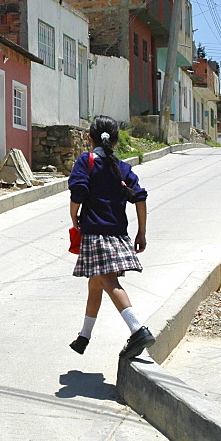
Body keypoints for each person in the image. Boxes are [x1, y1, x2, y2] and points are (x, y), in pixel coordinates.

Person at [67, 116, 153, 360]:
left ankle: (138, 329)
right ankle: (84, 336)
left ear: (89, 137)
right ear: (116, 140)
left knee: (107, 281)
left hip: (95, 235)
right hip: (118, 235)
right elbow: (140, 197)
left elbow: (79, 191)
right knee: (95, 284)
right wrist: (141, 232)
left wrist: (74, 216)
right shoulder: (122, 167)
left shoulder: (86, 161)